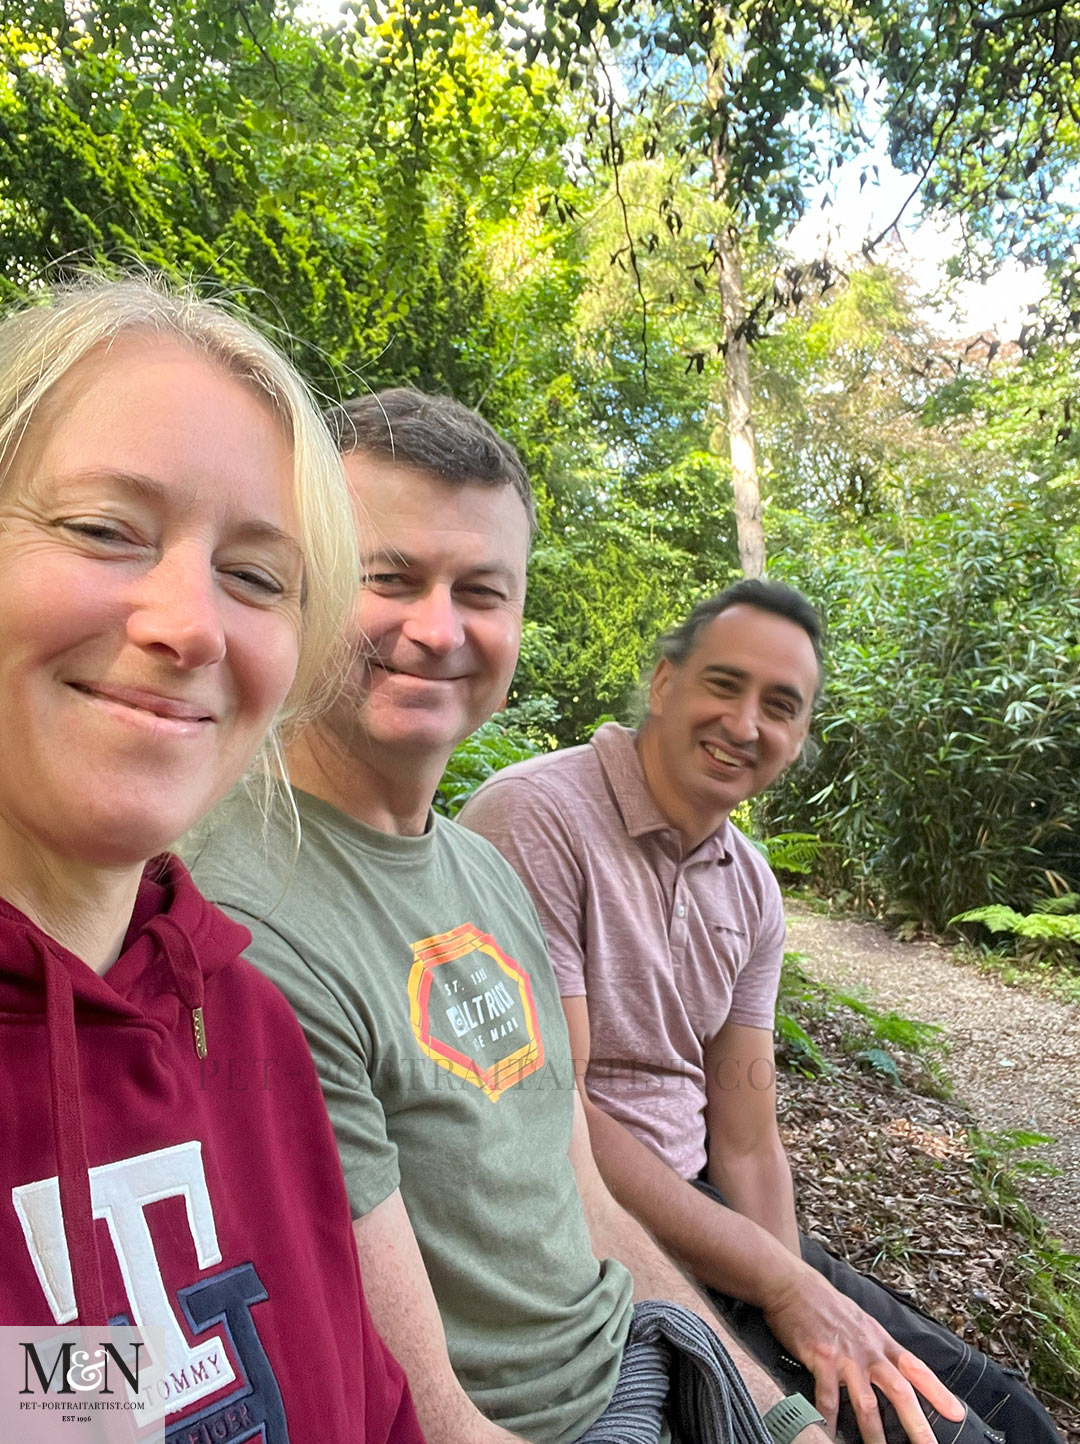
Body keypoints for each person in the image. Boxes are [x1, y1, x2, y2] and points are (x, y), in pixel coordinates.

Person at [187, 389, 844, 1444]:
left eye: (481, 590)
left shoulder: (482, 876)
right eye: (388, 577)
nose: (437, 628)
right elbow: (420, 1405)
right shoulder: (244, 913)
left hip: (644, 1358)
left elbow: (579, 1191)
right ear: (298, 582)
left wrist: (774, 1409)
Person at [460, 581, 1062, 1444]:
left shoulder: (749, 884)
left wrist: (792, 1286)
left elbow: (745, 1136)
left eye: (779, 706)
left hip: (710, 1212)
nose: (744, 725)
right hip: (586, 1227)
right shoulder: (539, 817)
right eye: (723, 684)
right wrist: (780, 1289)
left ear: (799, 739)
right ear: (664, 684)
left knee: (1012, 1417)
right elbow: (560, 1114)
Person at [0, 277, 423, 1444]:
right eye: (102, 528)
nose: (189, 624)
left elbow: (373, 1399)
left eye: (255, 576)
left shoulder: (244, 1022)